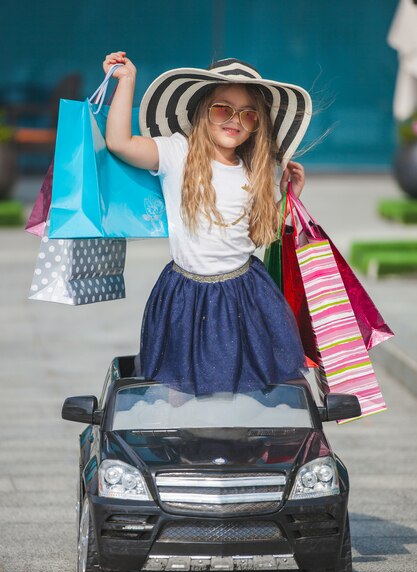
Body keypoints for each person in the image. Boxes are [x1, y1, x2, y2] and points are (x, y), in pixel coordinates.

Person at [103, 51, 313, 396]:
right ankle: (188, 450)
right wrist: (126, 82)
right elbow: (119, 143)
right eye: (222, 109)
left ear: (257, 124)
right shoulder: (177, 152)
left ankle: (244, 448)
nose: (235, 120)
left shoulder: (253, 169)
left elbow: (256, 234)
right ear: (202, 111)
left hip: (246, 295)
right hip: (186, 295)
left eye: (248, 114)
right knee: (179, 392)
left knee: (250, 389)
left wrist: (287, 201)